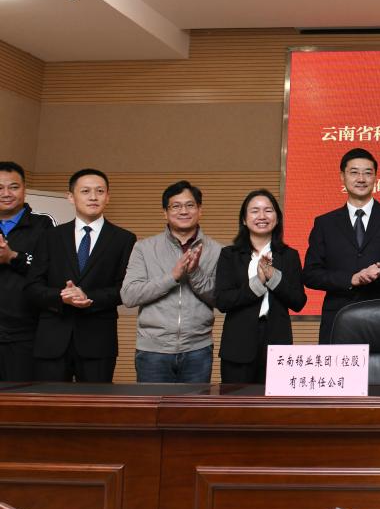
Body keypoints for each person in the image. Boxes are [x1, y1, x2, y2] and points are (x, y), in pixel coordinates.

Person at [27, 168, 136, 382]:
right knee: (50, 402)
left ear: (108, 197)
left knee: (96, 402)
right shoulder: (50, 237)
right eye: (85, 191)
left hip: (98, 340)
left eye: (100, 191)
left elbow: (125, 289)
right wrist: (62, 296)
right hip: (52, 339)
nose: (93, 197)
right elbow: (32, 287)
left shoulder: (124, 239)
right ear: (71, 196)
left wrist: (88, 296)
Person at [302, 148, 380, 344]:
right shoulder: (325, 223)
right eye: (354, 172)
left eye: (368, 173)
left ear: (375, 177)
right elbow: (311, 274)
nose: (361, 179)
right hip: (338, 317)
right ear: (342, 177)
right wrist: (351, 279)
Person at [120, 181, 222, 383]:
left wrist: (195, 273)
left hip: (198, 349)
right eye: (176, 206)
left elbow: (220, 299)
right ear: (165, 213)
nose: (183, 211)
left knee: (194, 404)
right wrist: (173, 276)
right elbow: (129, 295)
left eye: (190, 205)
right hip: (152, 351)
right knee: (152, 404)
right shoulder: (144, 248)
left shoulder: (217, 250)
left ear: (200, 210)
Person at [215, 190, 307, 383]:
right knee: (235, 401)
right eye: (255, 211)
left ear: (277, 218)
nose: (262, 216)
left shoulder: (289, 255)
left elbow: (298, 301)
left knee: (276, 402)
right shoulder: (229, 255)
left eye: (268, 210)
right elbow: (222, 301)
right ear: (244, 219)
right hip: (238, 345)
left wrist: (273, 277)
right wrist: (257, 284)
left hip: (277, 342)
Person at [0, 161, 55, 381]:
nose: (6, 193)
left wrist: (13, 257)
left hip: (26, 333)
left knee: (21, 396)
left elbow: (51, 270)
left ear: (24, 189)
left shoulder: (43, 225)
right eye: (0, 188)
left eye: (13, 187)